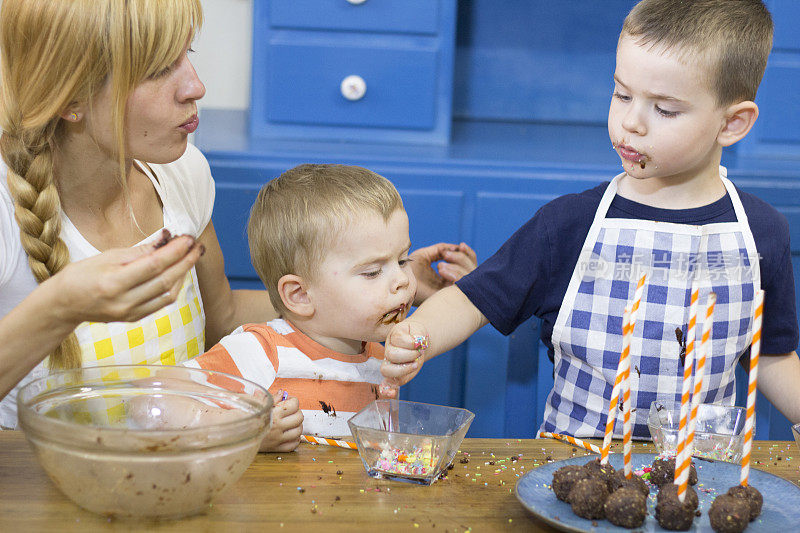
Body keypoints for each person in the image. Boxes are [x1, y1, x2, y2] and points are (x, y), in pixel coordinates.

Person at [0, 0, 475, 429]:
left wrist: (364, 284)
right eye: (159, 69)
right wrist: (60, 306)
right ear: (69, 99)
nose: (196, 87)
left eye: (189, 55)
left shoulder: (183, 173)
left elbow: (222, 313)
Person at [380, 0, 800, 439]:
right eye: (622, 94)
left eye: (665, 109)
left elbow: (773, 358)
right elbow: (471, 301)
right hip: (572, 469)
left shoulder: (761, 233)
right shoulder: (567, 224)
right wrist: (418, 335)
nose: (630, 122)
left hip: (699, 480)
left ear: (732, 123)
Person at [168, 164, 473, 452]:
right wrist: (247, 429)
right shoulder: (261, 352)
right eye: (372, 272)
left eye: (402, 260)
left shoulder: (380, 358)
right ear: (300, 295)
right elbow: (155, 403)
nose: (403, 281)